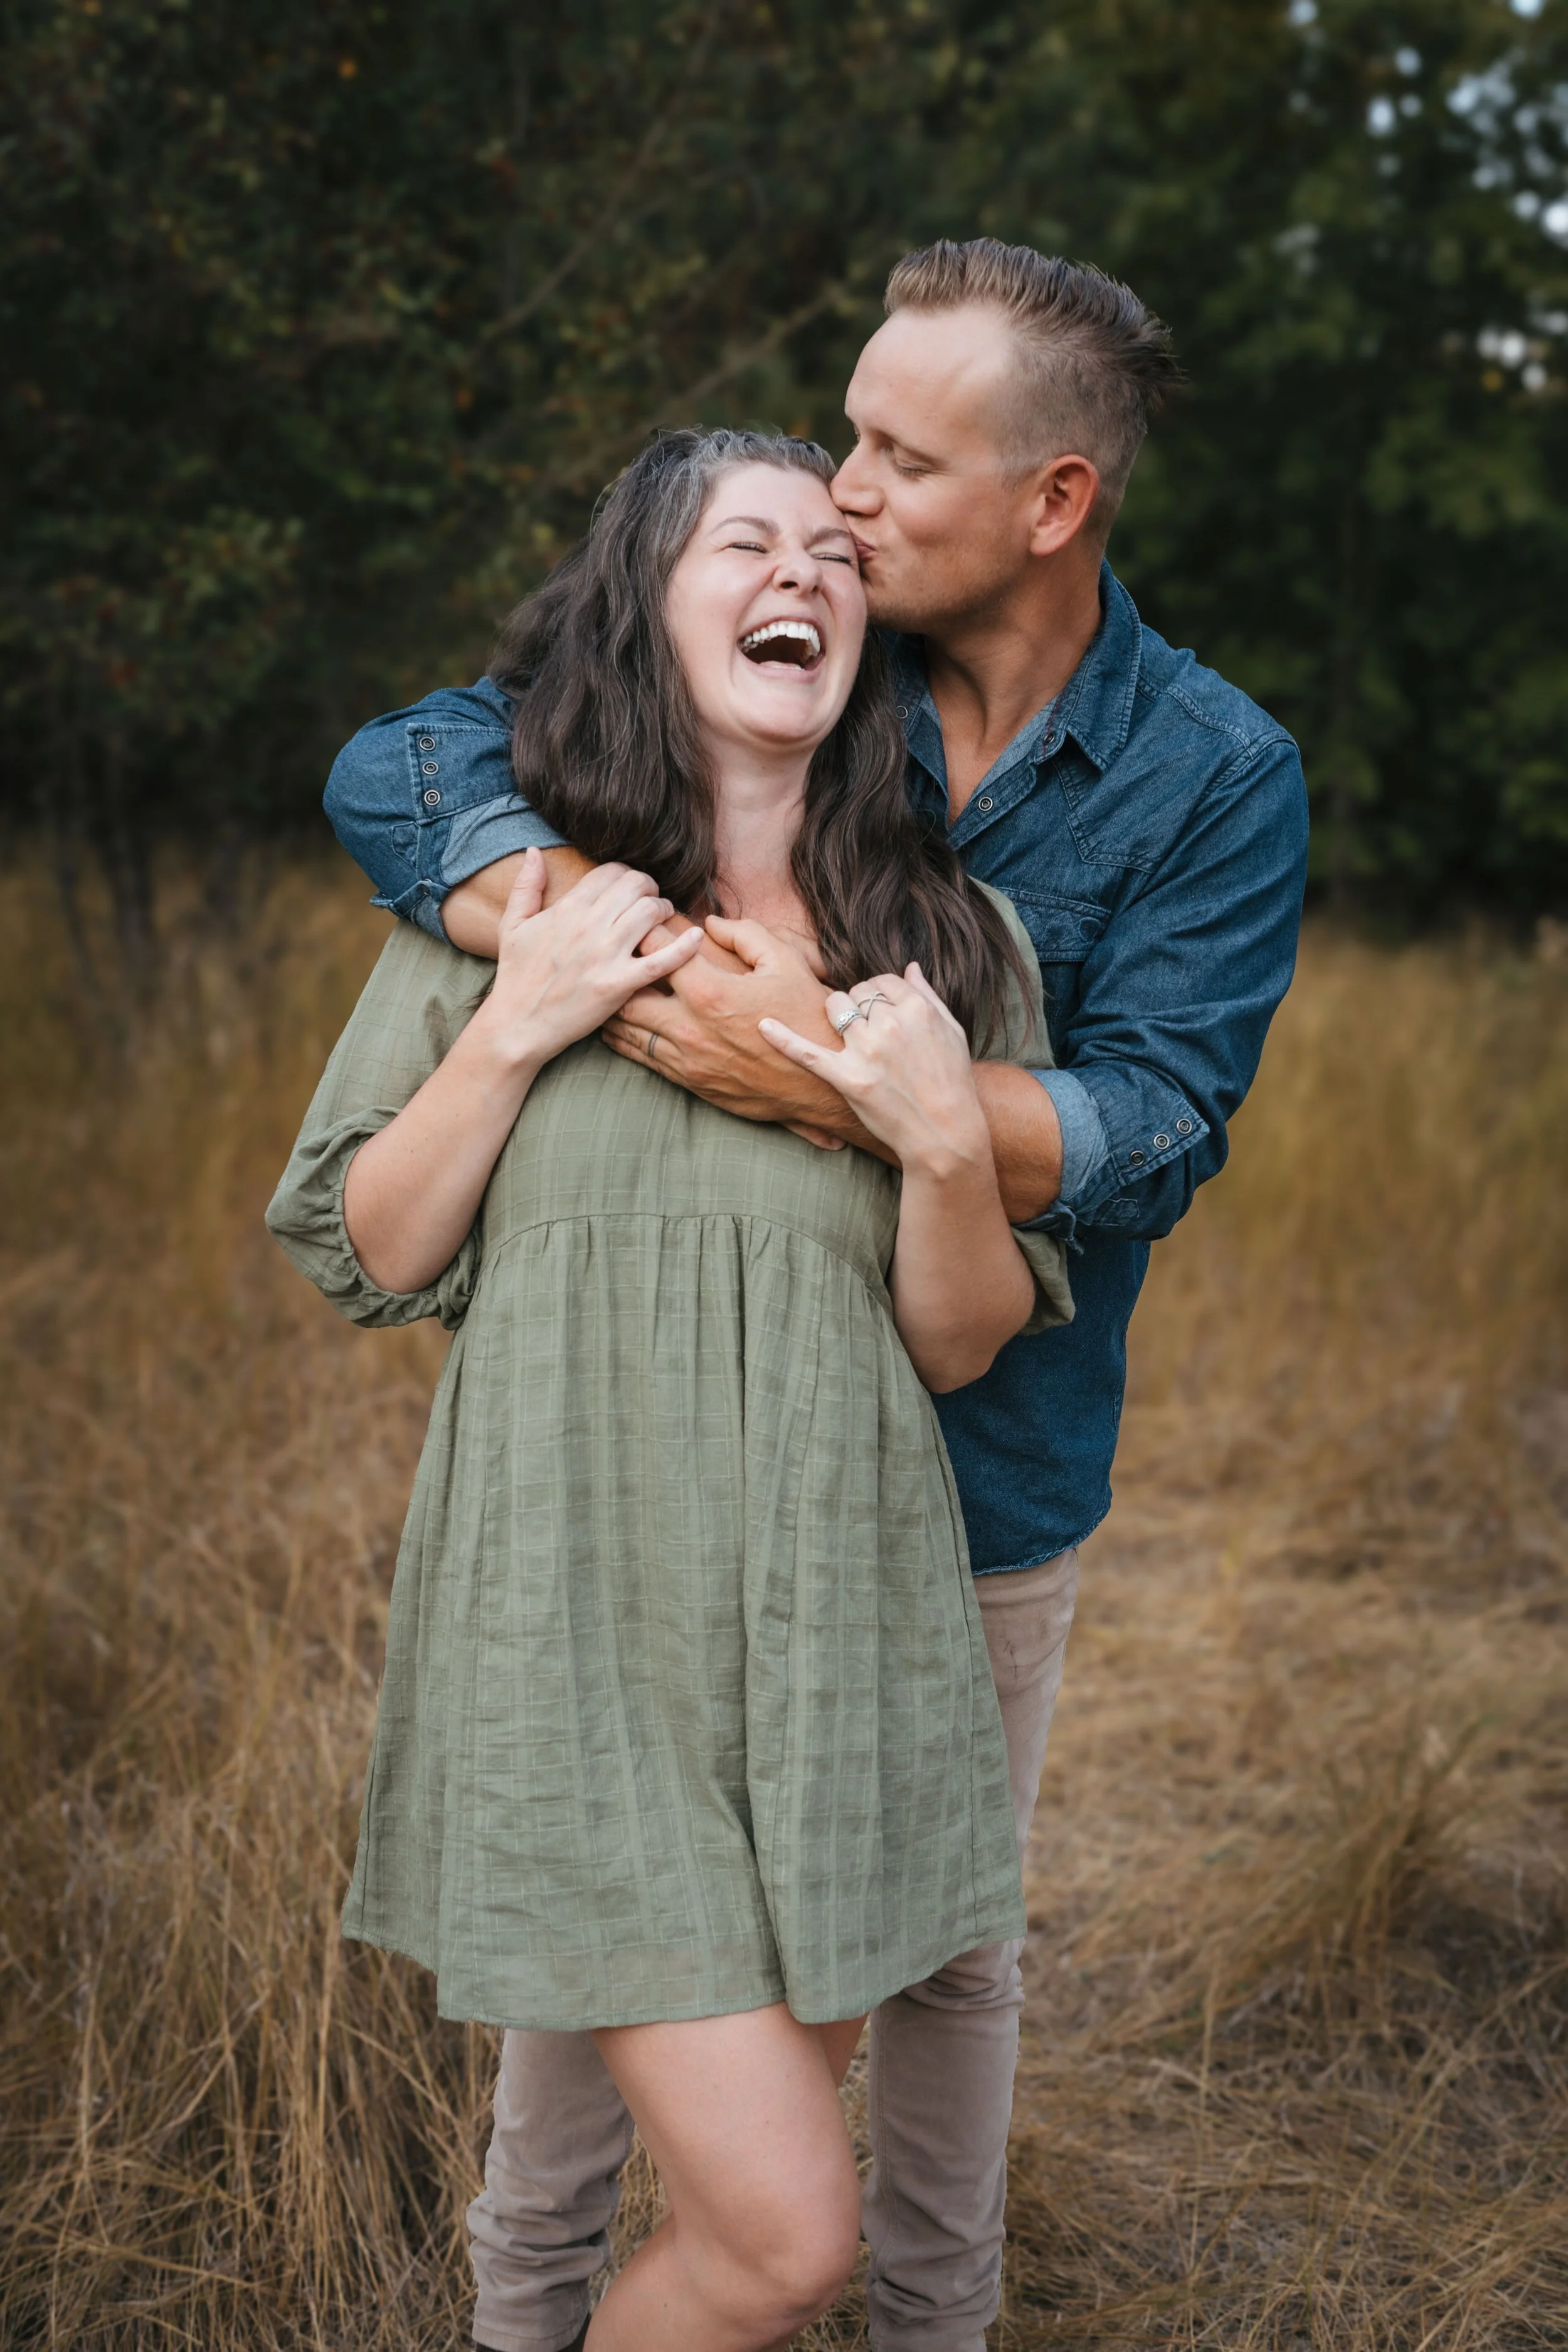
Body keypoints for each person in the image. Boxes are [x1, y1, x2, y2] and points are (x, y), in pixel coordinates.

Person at [324, 241, 1310, 2352]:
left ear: (1052, 499)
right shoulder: (794, 671)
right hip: (624, 1503)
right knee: (601, 2014)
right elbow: (407, 763)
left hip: (953, 1483)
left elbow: (1156, 1123)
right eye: (821, 454)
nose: (840, 499)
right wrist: (581, 935)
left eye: (888, 459)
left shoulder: (1201, 773)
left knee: (932, 1969)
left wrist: (851, 1093)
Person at [269, 426, 1075, 2352]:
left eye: (832, 550)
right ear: (647, 601)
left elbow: (959, 1335)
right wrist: (520, 1025)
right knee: (792, 2239)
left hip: (832, 1629)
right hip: (571, 1624)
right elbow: (370, 1245)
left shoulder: (949, 950)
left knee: (759, 2217)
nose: (800, 570)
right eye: (745, 541)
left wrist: (940, 1143)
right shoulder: (506, 904)